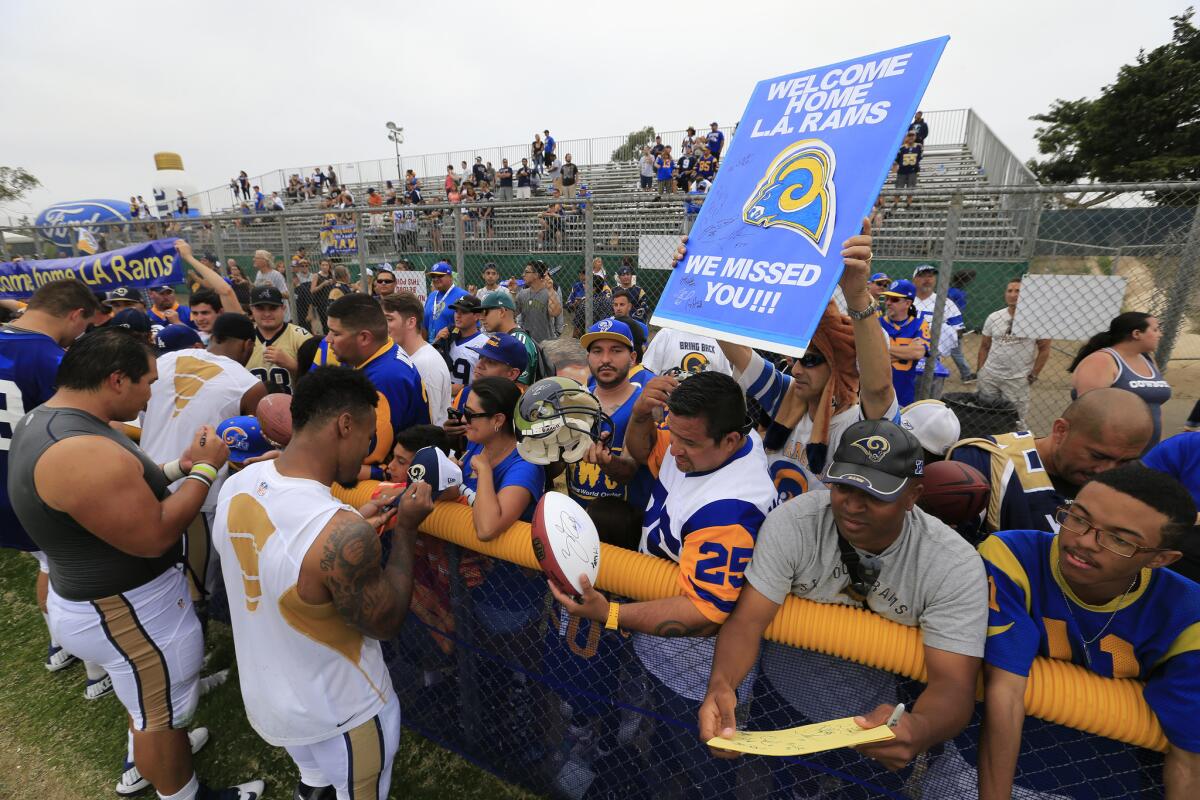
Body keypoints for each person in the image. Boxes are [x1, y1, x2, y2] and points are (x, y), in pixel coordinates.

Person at [8, 328, 263, 800]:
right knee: (157, 721)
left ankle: (159, 754)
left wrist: (180, 467)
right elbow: (156, 533)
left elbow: (120, 491)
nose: (151, 393)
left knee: (150, 709)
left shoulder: (56, 419)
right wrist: (208, 469)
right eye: (147, 382)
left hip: (107, 600)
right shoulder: (78, 449)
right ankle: (182, 792)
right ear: (117, 379)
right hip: (127, 609)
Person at [700, 420, 987, 781]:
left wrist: (920, 728)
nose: (852, 505)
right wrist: (722, 686)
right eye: (844, 486)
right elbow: (747, 621)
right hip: (783, 703)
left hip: (877, 728)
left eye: (875, 495)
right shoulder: (797, 521)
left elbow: (954, 685)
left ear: (913, 495)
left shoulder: (952, 564)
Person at [549, 371, 776, 800]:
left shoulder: (731, 507)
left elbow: (704, 615)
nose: (675, 449)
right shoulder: (700, 445)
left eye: (688, 443)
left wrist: (610, 614)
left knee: (702, 773)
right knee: (666, 754)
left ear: (731, 440)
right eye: (674, 433)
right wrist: (639, 415)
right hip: (663, 655)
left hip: (699, 674)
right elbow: (646, 451)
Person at [213, 367, 434, 800]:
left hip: (273, 699)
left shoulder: (238, 484)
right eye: (368, 436)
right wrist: (405, 530)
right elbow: (384, 620)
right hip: (345, 711)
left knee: (315, 781)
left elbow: (289, 559)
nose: (370, 449)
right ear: (344, 425)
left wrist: (353, 528)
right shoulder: (338, 529)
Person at [977, 464, 1200, 799]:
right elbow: (1005, 690)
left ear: (1161, 559)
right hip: (979, 765)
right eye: (1078, 518)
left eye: (1120, 539)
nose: (1084, 542)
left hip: (1113, 782)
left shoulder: (1188, 613)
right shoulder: (1013, 555)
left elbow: (1189, 755)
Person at [680, 221, 896, 502]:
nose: (795, 369)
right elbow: (738, 351)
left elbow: (878, 389)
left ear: (838, 366)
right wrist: (699, 271)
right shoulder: (787, 395)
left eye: (811, 361)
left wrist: (856, 296)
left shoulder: (857, 424)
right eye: (796, 359)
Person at [0, 280, 103, 674]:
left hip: (5, 482)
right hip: (35, 487)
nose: (82, 334)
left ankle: (60, 645)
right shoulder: (50, 359)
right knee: (73, 575)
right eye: (84, 324)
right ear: (76, 314)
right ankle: (95, 671)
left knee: (47, 567)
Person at [139, 313, 265, 611]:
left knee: (153, 564)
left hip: (146, 474)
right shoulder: (247, 384)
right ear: (248, 345)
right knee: (198, 582)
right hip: (198, 491)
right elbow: (260, 440)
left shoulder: (166, 360)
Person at [947, 388, 1154, 544]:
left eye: (1125, 461)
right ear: (1061, 430)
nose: (1107, 470)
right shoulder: (987, 462)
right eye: (1098, 455)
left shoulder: (1134, 481)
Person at [325, 294, 431, 476]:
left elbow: (370, 456)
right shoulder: (382, 349)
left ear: (365, 338)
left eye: (336, 333)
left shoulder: (385, 378)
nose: (328, 339)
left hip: (393, 476)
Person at [566, 319, 653, 521]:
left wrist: (608, 462)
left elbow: (629, 469)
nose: (605, 359)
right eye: (597, 351)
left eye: (615, 350)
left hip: (626, 529)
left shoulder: (644, 407)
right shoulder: (573, 402)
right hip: (577, 524)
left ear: (632, 357)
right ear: (588, 357)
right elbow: (556, 468)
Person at [449, 376, 544, 541]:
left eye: (470, 414)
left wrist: (484, 471)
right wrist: (449, 474)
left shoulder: (525, 467)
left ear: (498, 420)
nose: (464, 419)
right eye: (465, 411)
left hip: (500, 564)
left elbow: (487, 530)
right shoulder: (479, 442)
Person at [1069, 311, 1172, 449]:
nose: (1160, 334)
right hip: (1111, 451)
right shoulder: (1102, 360)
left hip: (1147, 449)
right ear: (1136, 334)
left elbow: (1155, 408)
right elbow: (1090, 413)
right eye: (1155, 329)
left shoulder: (1147, 359)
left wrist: (1160, 443)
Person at [976, 278, 1050, 427]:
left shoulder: (1037, 319)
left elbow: (1045, 349)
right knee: (984, 415)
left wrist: (1034, 374)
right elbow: (984, 346)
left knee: (1016, 420)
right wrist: (981, 371)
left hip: (1017, 379)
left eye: (1018, 291)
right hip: (990, 376)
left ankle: (1017, 447)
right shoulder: (994, 317)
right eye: (1010, 291)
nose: (1013, 294)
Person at [382, 293, 451, 428]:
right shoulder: (408, 355)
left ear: (411, 322)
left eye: (389, 319)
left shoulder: (426, 364)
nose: (382, 326)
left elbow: (428, 424)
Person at [911, 264, 973, 382]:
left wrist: (941, 337)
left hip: (930, 356)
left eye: (931, 276)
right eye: (923, 276)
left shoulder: (945, 303)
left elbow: (958, 330)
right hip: (904, 351)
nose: (927, 279)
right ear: (914, 279)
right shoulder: (905, 299)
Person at [246, 285, 313, 394]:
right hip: (253, 410)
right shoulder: (243, 337)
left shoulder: (301, 337)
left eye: (273, 308)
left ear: (283, 308)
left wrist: (293, 365)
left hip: (293, 408)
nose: (267, 314)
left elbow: (319, 381)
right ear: (252, 309)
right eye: (260, 308)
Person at [878, 279, 931, 407]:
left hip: (903, 394)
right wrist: (907, 350)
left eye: (894, 300)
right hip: (876, 392)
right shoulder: (876, 323)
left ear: (908, 303)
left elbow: (917, 352)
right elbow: (868, 355)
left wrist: (881, 349)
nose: (888, 303)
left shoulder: (919, 324)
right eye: (887, 298)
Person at [480, 292, 540, 385]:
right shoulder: (503, 338)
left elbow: (520, 389)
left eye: (485, 312)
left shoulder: (519, 341)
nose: (481, 317)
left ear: (502, 311)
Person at [439, 295, 489, 389]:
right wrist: (437, 342)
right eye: (456, 311)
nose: (458, 315)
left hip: (467, 400)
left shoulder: (484, 343)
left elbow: (487, 382)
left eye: (464, 312)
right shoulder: (448, 337)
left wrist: (463, 388)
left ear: (476, 316)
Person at [513, 260, 562, 344]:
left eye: (526, 272)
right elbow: (512, 313)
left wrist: (550, 289)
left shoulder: (550, 293)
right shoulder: (522, 293)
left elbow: (554, 313)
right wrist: (513, 293)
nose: (523, 275)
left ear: (536, 275)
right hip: (527, 342)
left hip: (547, 343)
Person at [423, 261, 469, 343]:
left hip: (453, 347)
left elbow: (471, 325)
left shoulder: (462, 295)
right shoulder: (432, 296)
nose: (436, 279)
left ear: (450, 277)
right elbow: (425, 325)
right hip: (432, 347)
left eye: (440, 275)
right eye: (433, 276)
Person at [252, 248, 290, 320]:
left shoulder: (276, 275)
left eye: (256, 258)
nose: (253, 259)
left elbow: (287, 295)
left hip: (280, 316)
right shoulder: (259, 273)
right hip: (266, 315)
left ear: (265, 261)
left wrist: (272, 289)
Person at [892, 131, 923, 209]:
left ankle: (909, 204)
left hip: (912, 171)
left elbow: (919, 158)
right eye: (909, 135)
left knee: (910, 188)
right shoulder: (902, 148)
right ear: (907, 137)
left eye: (913, 135)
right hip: (902, 171)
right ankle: (895, 204)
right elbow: (897, 159)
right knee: (898, 188)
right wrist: (894, 167)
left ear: (915, 137)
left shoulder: (919, 147)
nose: (911, 137)